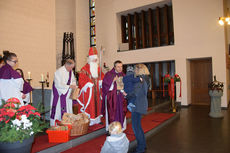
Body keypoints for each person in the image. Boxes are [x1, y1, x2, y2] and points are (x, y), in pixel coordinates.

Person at [77, 47, 104, 126]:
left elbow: (102, 76)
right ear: (90, 59)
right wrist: (88, 84)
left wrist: (101, 81)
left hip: (97, 92)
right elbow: (81, 80)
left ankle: (97, 120)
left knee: (98, 105)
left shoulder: (98, 68)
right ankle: (90, 121)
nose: (95, 61)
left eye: (96, 59)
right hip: (89, 92)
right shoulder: (84, 69)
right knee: (90, 106)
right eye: (93, 59)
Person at [50, 58, 77, 126]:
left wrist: (74, 85)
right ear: (66, 65)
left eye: (72, 68)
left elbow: (73, 80)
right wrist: (69, 86)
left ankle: (67, 124)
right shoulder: (59, 72)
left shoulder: (71, 72)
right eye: (70, 68)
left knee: (68, 108)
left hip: (67, 95)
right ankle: (55, 125)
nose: (71, 69)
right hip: (59, 95)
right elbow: (58, 84)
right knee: (58, 111)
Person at [101, 60, 127, 131]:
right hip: (112, 98)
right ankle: (111, 129)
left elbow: (126, 86)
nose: (120, 68)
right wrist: (112, 81)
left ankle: (120, 128)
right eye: (118, 67)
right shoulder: (109, 74)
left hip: (121, 98)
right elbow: (105, 86)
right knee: (112, 114)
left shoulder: (123, 75)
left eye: (121, 66)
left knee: (121, 112)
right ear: (114, 67)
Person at [131, 64, 150, 153]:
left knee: (136, 128)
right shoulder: (145, 78)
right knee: (138, 126)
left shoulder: (140, 80)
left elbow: (136, 93)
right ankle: (143, 144)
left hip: (137, 105)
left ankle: (141, 148)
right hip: (141, 104)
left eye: (135, 69)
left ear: (139, 70)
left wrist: (126, 94)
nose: (134, 71)